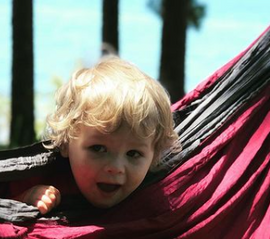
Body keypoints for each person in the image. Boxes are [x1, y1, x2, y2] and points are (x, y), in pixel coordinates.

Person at [14, 56, 180, 214]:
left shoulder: (158, 197)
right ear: (65, 142)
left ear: (154, 155)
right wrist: (25, 199)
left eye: (133, 153)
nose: (115, 168)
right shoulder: (46, 180)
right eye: (98, 148)